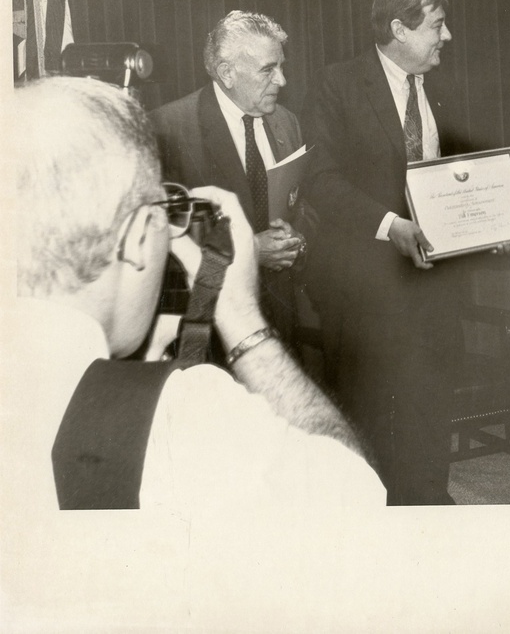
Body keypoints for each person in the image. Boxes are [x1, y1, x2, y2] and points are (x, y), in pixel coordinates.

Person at [7, 75, 384, 514]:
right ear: (135, 240)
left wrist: (144, 356)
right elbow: (356, 499)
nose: (281, 78)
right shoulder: (180, 414)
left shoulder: (288, 123)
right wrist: (241, 317)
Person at [302, 0, 474, 505]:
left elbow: (467, 170)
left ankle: (428, 501)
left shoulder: (446, 84)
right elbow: (321, 181)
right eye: (436, 25)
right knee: (369, 408)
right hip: (364, 283)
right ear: (398, 30)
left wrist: (488, 225)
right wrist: (389, 225)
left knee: (430, 400)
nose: (448, 36)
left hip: (436, 280)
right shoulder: (336, 85)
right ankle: (372, 513)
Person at [150, 11, 309, 344]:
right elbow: (160, 245)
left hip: (282, 315)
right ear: (227, 73)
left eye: (281, 66)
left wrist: (297, 238)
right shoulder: (169, 129)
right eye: (268, 69)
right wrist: (250, 249)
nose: (282, 81)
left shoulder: (287, 122)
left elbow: (307, 205)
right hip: (212, 329)